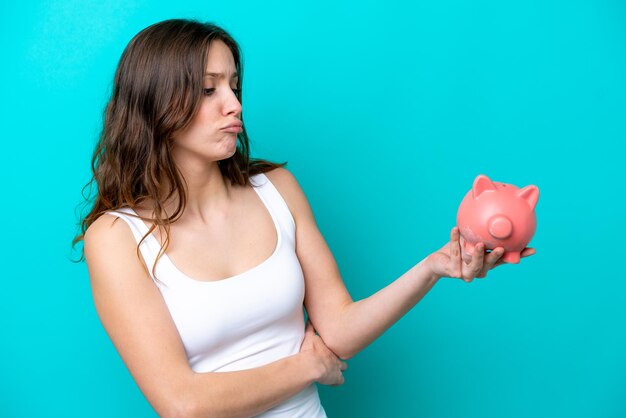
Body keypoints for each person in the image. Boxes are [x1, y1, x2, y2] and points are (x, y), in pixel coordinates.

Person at [73, 18, 535, 418]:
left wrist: (434, 266)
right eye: (208, 89)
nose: (234, 104)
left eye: (234, 85)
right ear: (155, 102)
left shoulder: (276, 189)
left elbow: (339, 330)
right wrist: (309, 366)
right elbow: (182, 405)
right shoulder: (116, 236)